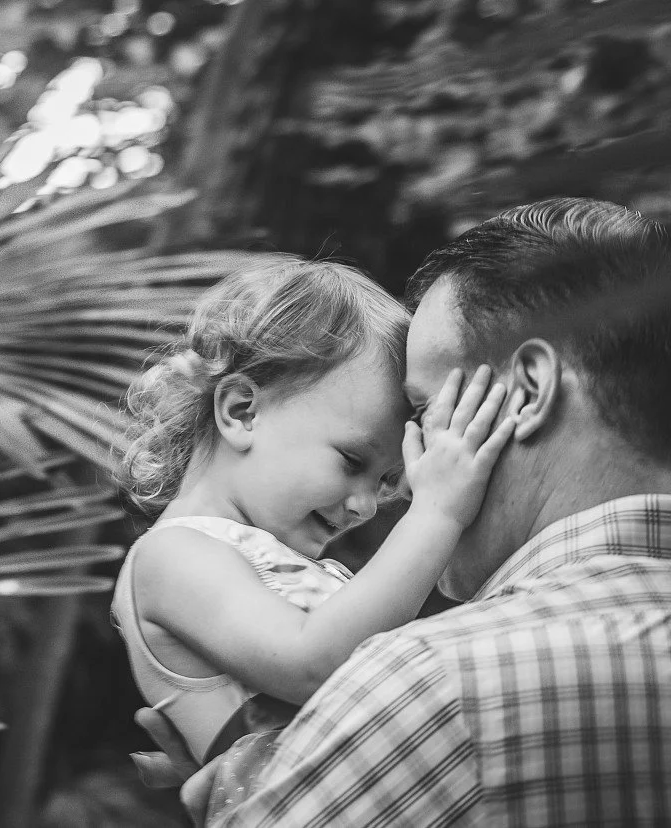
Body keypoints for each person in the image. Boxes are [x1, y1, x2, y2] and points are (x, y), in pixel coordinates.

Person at [137, 198, 671, 826]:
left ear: (526, 393)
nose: (399, 492)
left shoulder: (440, 685)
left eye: (422, 417)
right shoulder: (182, 554)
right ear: (241, 412)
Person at [111, 255, 518, 821]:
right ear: (242, 410)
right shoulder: (172, 555)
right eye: (353, 461)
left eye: (386, 484)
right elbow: (313, 665)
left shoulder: (247, 556)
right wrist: (437, 513)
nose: (366, 504)